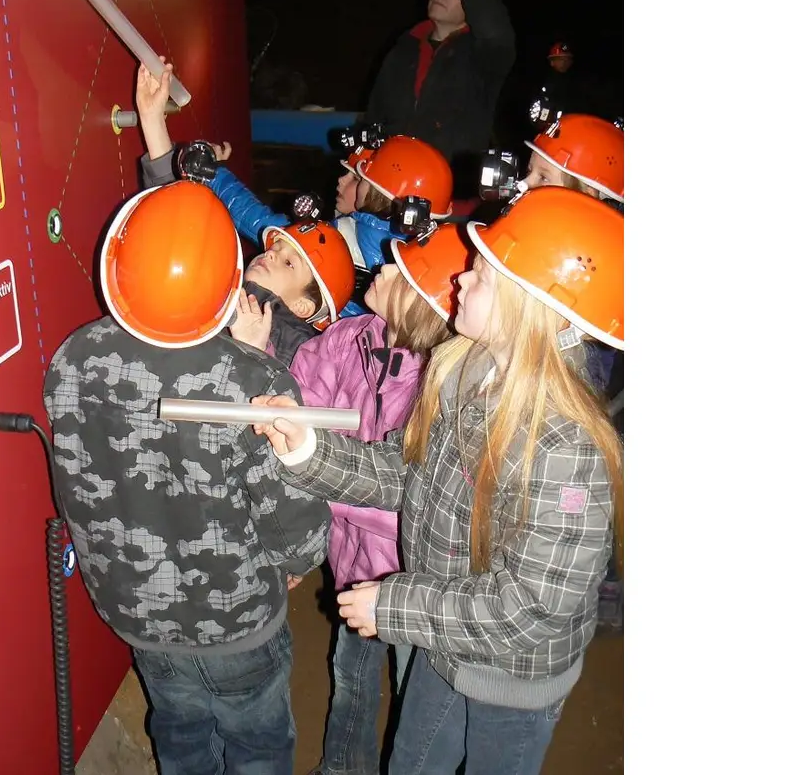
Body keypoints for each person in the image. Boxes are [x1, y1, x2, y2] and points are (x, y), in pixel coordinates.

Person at [251, 187, 624, 775]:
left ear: (528, 305)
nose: (459, 282)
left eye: (477, 276)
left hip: (511, 681)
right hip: (442, 643)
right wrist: (309, 449)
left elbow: (529, 609)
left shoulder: (564, 449)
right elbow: (409, 476)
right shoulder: (461, 374)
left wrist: (396, 605)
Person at [42, 179, 331, 775]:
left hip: (135, 612)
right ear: (227, 284)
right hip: (239, 622)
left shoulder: (71, 360)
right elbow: (298, 529)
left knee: (180, 735)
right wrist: (298, 562)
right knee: (255, 746)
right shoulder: (254, 380)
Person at [231, 225, 471, 775]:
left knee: (420, 696)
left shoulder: (443, 381)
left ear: (424, 299)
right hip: (353, 563)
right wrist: (259, 355)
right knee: (352, 679)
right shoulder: (351, 337)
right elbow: (299, 398)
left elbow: (410, 498)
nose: (382, 264)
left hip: (417, 577)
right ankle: (342, 767)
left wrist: (318, 487)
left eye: (399, 270)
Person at [134, 58, 450, 320]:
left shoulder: (355, 255)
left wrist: (208, 172)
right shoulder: (392, 257)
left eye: (360, 179)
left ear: (384, 199)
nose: (342, 180)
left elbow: (255, 217)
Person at [131, 60, 356, 364]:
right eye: (277, 247)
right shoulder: (227, 281)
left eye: (289, 263)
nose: (272, 254)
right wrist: (152, 117)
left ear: (303, 307)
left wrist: (257, 354)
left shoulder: (301, 358)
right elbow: (173, 220)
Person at [363, 0, 515, 184]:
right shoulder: (405, 48)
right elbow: (375, 116)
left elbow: (494, 29)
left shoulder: (485, 55)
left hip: (450, 197)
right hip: (388, 185)